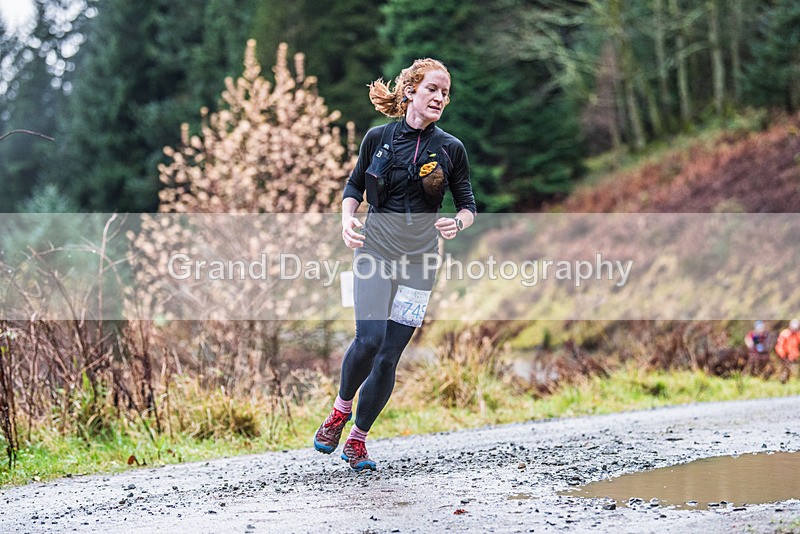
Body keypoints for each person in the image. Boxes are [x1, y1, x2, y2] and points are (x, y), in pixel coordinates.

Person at [313, 58, 477, 471]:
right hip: (373, 253)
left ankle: (358, 440)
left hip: (421, 263)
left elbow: (468, 204)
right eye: (432, 89)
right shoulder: (377, 137)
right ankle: (338, 412)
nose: (440, 97)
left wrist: (458, 222)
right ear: (410, 92)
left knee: (389, 356)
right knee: (367, 340)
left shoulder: (451, 148)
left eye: (445, 92)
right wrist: (347, 218)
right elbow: (353, 186)